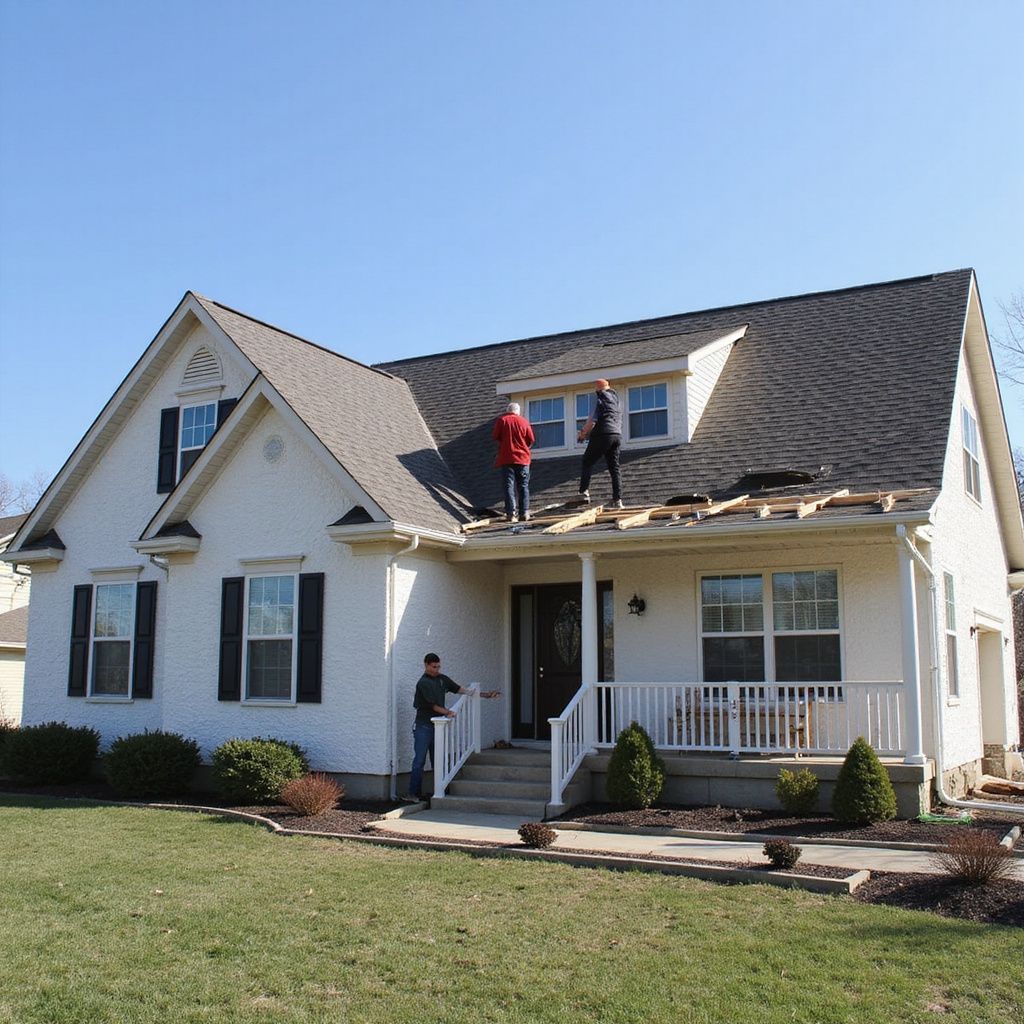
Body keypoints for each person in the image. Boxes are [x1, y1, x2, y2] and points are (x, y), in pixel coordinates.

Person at [406, 653, 501, 801]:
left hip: (438, 727)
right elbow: (433, 706)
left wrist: (484, 695)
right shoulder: (423, 683)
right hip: (423, 726)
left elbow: (460, 689)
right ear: (426, 665)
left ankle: (441, 789)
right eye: (433, 666)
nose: (437, 669)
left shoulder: (442, 679)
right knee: (419, 760)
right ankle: (413, 794)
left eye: (438, 666)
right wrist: (448, 712)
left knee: (438, 759)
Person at [577, 378, 624, 508]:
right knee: (614, 467)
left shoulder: (600, 398)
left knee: (587, 460)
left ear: (598, 389)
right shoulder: (616, 399)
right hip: (617, 435)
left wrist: (583, 434)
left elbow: (592, 421)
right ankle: (617, 500)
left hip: (603, 433)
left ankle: (583, 492)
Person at [492, 401, 535, 522]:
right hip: (522, 459)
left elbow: (495, 436)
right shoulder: (524, 422)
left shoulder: (502, 420)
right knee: (523, 485)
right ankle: (524, 512)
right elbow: (531, 440)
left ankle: (511, 514)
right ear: (518, 411)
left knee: (509, 486)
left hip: (507, 458)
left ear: (508, 411)